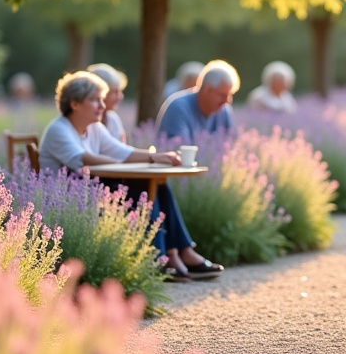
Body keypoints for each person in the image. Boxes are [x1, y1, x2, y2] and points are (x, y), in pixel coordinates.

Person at [39, 72, 224, 282]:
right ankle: (158, 258)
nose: (102, 106)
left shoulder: (94, 128)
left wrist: (155, 157)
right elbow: (84, 159)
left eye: (101, 99)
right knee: (142, 188)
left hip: (91, 188)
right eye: (94, 100)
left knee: (158, 186)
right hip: (71, 200)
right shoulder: (59, 129)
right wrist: (124, 165)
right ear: (74, 104)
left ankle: (178, 250)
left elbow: (122, 151)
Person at [157, 59, 238, 141]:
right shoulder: (178, 107)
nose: (227, 100)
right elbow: (180, 149)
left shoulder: (224, 110)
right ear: (207, 89)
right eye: (222, 95)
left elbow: (232, 143)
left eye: (230, 95)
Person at [87, 63, 129, 142]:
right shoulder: (85, 120)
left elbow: (121, 150)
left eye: (120, 91)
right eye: (115, 92)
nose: (120, 96)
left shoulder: (113, 119)